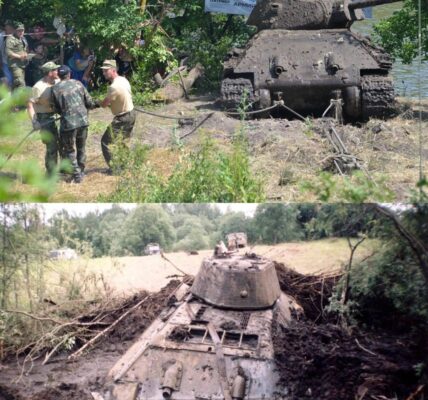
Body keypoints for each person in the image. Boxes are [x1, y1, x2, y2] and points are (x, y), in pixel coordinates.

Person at [51, 65, 99, 183]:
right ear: (69, 74)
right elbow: (89, 102)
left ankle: (77, 175)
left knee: (69, 150)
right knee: (81, 147)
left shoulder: (55, 88)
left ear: (59, 75)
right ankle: (81, 170)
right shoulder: (78, 84)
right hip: (83, 121)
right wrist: (99, 103)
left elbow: (55, 108)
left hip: (68, 124)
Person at [100, 59, 136, 171]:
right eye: (103, 71)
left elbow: (105, 104)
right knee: (122, 141)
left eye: (106, 71)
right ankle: (127, 165)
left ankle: (115, 168)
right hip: (131, 113)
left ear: (113, 70)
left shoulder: (113, 87)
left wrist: (97, 102)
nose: (104, 73)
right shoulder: (123, 80)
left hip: (123, 117)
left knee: (105, 141)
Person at [27, 61, 61, 175]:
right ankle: (51, 173)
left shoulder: (58, 81)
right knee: (51, 146)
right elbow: (30, 105)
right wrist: (34, 121)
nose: (57, 72)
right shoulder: (38, 87)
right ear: (49, 73)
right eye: (55, 70)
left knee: (60, 143)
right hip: (45, 118)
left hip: (57, 116)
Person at [5, 22, 29, 89]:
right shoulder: (10, 38)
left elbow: (25, 49)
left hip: (22, 64)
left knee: (16, 85)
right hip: (15, 65)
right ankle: (23, 99)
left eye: (22, 30)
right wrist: (19, 56)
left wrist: (27, 54)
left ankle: (13, 98)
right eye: (19, 30)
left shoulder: (23, 39)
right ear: (15, 30)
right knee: (20, 83)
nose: (21, 32)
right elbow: (8, 52)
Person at [0, 20, 15, 88]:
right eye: (8, 26)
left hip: (14, 62)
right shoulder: (1, 36)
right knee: (8, 79)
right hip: (4, 61)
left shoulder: (15, 35)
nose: (10, 28)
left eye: (11, 26)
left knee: (13, 79)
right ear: (5, 27)